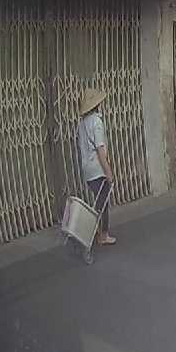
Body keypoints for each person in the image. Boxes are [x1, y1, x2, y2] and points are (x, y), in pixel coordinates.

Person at [76, 89, 115, 246]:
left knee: (99, 202)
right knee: (103, 203)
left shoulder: (81, 124)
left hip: (87, 170)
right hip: (97, 169)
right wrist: (108, 172)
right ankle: (103, 235)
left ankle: (97, 232)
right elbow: (100, 149)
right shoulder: (96, 122)